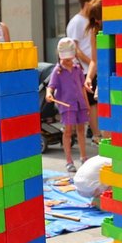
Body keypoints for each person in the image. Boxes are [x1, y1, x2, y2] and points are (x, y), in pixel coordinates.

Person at [47, 37, 89, 173]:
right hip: (67, 106)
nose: (68, 61)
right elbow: (51, 86)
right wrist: (49, 94)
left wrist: (87, 105)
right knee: (68, 131)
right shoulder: (57, 71)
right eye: (65, 59)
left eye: (70, 58)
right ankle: (69, 161)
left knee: (81, 130)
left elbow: (82, 87)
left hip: (80, 104)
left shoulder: (77, 69)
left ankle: (84, 158)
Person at [66, 0, 99, 141]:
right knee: (91, 104)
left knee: (96, 104)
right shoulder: (77, 22)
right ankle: (96, 134)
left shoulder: (90, 23)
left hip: (93, 69)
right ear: (86, 4)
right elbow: (76, 49)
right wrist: (91, 68)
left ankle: (95, 133)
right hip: (86, 70)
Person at [81, 0, 105, 143]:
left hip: (121, 78)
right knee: (108, 127)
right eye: (94, 18)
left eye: (98, 17)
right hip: (104, 79)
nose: (96, 21)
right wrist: (89, 78)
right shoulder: (95, 32)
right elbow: (94, 61)